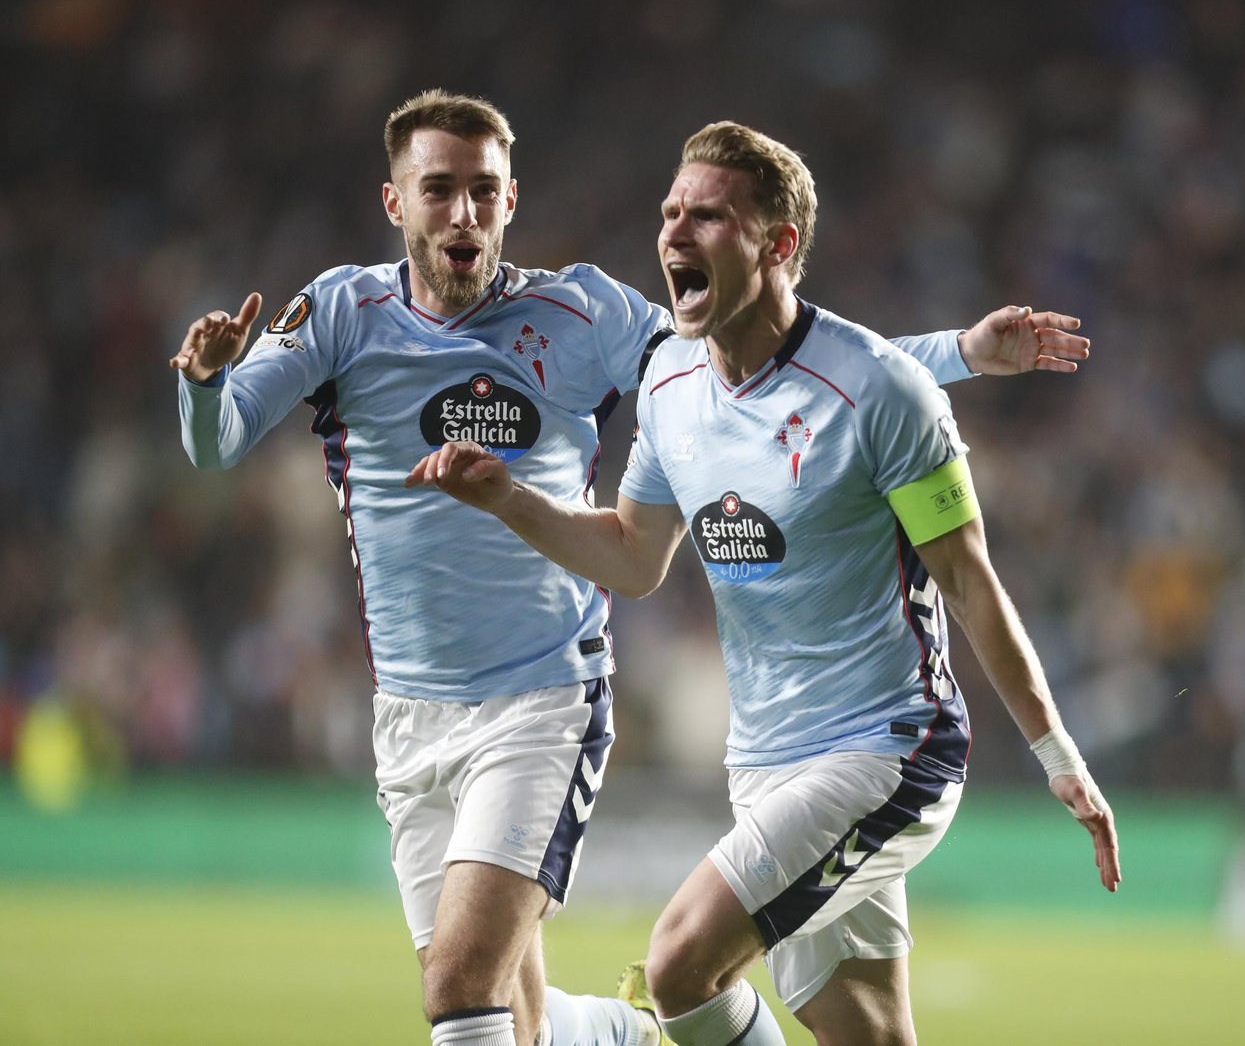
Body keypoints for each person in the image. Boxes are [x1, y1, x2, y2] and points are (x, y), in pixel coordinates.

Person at [170, 93, 1090, 1046]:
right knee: (515, 1019)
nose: (464, 213)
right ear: (394, 202)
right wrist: (203, 389)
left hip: (542, 697)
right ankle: (622, 1034)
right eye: (438, 190)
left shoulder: (581, 313)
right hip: (408, 712)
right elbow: (218, 441)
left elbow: (772, 368)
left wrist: (958, 356)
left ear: (512, 200)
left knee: (461, 992)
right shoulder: (338, 314)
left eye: (484, 191)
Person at [407, 121, 1119, 1046]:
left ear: (779, 244)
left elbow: (969, 580)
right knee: (866, 1031)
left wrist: (1058, 755)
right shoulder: (668, 384)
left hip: (889, 750)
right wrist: (510, 499)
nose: (674, 234)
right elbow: (632, 555)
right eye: (670, 213)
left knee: (679, 962)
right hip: (767, 763)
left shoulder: (885, 393)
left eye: (707, 216)